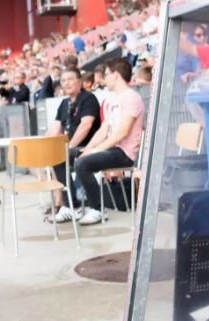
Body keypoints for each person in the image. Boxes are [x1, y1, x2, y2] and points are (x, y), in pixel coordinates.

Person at [73, 57, 144, 225]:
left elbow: (122, 133)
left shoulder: (132, 97)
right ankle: (71, 206)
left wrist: (95, 151)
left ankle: (97, 209)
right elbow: (104, 130)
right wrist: (87, 148)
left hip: (124, 153)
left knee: (82, 164)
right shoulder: (114, 99)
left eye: (106, 74)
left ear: (116, 75)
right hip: (112, 148)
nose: (104, 79)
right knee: (65, 155)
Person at [44, 67, 101, 221]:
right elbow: (55, 129)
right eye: (63, 80)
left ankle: (70, 205)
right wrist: (42, 145)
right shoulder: (64, 103)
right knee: (51, 156)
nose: (66, 83)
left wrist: (67, 147)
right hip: (70, 148)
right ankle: (65, 204)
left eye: (70, 79)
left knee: (59, 156)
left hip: (87, 147)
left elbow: (86, 126)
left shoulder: (88, 99)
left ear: (80, 81)